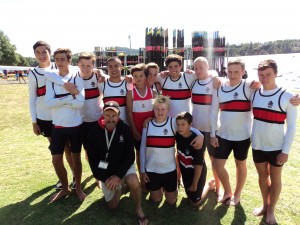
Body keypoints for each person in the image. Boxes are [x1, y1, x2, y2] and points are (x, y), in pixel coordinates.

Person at [86, 101, 149, 225]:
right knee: (113, 206)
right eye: (108, 115)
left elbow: (130, 156)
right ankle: (121, 186)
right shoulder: (94, 132)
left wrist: (119, 176)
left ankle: (138, 209)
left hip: (122, 167)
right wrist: (105, 179)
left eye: (113, 115)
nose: (111, 119)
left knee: (133, 180)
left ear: (118, 115)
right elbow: (93, 161)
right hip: (106, 170)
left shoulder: (125, 129)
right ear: (103, 114)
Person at [251, 59, 297, 224]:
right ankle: (265, 205)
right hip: (257, 145)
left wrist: (285, 151)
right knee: (263, 176)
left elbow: (291, 127)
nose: (264, 78)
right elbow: (231, 83)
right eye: (261, 75)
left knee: (276, 178)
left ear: (276, 74)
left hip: (277, 148)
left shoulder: (288, 96)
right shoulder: (254, 93)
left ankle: (271, 211)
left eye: (268, 74)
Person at [140, 95, 204, 205]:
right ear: (153, 109)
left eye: (163, 109)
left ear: (168, 110)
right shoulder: (148, 125)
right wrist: (142, 170)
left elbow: (190, 128)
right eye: (157, 109)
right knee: (156, 200)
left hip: (169, 170)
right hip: (152, 170)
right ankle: (159, 188)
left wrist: (201, 136)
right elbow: (142, 149)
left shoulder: (173, 123)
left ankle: (171, 188)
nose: (160, 112)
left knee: (171, 201)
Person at [28, 40, 74, 191]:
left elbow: (82, 71)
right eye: (38, 52)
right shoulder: (33, 73)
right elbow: (32, 99)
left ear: (49, 52)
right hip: (45, 118)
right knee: (56, 150)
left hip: (61, 115)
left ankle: (74, 176)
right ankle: (62, 180)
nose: (41, 55)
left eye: (44, 52)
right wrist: (34, 122)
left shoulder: (59, 66)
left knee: (68, 148)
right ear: (34, 55)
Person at [210, 59, 256, 206]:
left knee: (240, 164)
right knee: (217, 165)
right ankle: (228, 191)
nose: (233, 74)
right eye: (230, 72)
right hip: (223, 134)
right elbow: (213, 112)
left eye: (236, 71)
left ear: (243, 72)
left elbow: (269, 89)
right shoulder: (220, 87)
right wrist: (212, 134)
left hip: (243, 136)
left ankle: (237, 194)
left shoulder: (249, 87)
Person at [45, 48, 86, 202]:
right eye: (57, 59)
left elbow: (81, 103)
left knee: (76, 157)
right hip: (58, 126)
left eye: (63, 59)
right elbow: (49, 103)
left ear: (69, 60)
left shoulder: (77, 76)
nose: (59, 62)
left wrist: (60, 101)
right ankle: (65, 188)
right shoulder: (52, 78)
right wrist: (69, 98)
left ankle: (79, 188)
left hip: (75, 125)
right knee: (56, 159)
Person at [191, 56, 221, 197]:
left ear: (207, 67)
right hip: (197, 130)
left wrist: (215, 75)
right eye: (195, 68)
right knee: (198, 159)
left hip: (211, 129)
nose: (198, 70)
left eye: (201, 67)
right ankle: (197, 183)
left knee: (214, 160)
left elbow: (215, 108)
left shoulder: (215, 82)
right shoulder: (193, 82)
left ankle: (218, 186)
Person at [175, 112, 215, 207]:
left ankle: (209, 186)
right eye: (178, 124)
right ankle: (195, 191)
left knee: (195, 203)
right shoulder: (178, 135)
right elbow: (178, 154)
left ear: (190, 125)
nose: (180, 127)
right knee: (189, 197)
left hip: (196, 172)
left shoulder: (197, 141)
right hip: (185, 170)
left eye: (183, 124)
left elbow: (198, 165)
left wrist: (194, 184)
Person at [126, 63, 155, 188]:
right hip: (137, 129)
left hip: (150, 129)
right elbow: (129, 112)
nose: (138, 78)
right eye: (135, 76)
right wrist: (134, 130)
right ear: (132, 78)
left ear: (145, 77)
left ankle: (150, 177)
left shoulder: (152, 91)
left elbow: (156, 111)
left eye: (141, 75)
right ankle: (142, 179)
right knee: (139, 154)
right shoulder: (130, 93)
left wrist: (150, 118)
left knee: (149, 153)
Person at [99, 57, 133, 125]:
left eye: (116, 66)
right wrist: (99, 72)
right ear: (107, 68)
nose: (113, 69)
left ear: (121, 67)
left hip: (125, 125)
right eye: (110, 66)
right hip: (108, 125)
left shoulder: (128, 83)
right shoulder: (102, 84)